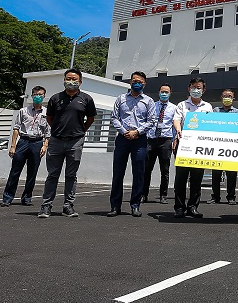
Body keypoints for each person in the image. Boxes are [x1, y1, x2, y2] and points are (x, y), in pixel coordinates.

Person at [38, 69, 97, 218]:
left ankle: (68, 206)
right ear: (64, 80)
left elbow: (90, 118)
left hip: (75, 142)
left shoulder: (86, 99)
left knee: (71, 175)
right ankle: (46, 206)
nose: (71, 81)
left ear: (80, 82)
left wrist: (81, 130)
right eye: (68, 78)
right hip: (56, 141)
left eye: (74, 79)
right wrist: (58, 130)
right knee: (52, 175)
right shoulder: (55, 98)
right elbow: (49, 118)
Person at [107, 70, 156, 218]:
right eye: (134, 81)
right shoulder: (121, 99)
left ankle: (135, 205)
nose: (137, 83)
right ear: (130, 82)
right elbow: (115, 117)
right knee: (118, 173)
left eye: (140, 82)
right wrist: (123, 131)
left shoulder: (148, 101)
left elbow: (151, 121)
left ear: (144, 84)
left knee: (139, 173)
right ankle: (115, 206)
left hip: (140, 140)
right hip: (122, 139)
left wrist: (137, 132)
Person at [172, 77, 213, 219]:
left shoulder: (207, 107)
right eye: (194, 87)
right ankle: (179, 208)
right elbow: (176, 119)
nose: (196, 90)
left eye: (199, 87)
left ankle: (193, 207)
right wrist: (178, 131)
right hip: (183, 145)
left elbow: (211, 124)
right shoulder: (181, 105)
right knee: (181, 178)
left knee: (197, 178)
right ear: (189, 89)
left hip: (199, 147)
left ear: (204, 90)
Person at [2, 86, 50, 207]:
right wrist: (13, 146)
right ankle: (7, 198)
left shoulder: (47, 113)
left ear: (44, 96)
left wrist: (45, 145)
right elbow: (16, 129)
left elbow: (48, 132)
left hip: (37, 142)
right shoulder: (23, 111)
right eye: (35, 94)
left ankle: (27, 197)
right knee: (15, 171)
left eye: (40, 94)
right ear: (32, 95)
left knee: (32, 172)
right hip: (23, 141)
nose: (37, 96)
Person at [143, 84, 174, 204]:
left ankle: (163, 195)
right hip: (151, 140)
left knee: (165, 170)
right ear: (159, 92)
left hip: (165, 140)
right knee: (147, 169)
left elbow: (175, 125)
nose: (164, 94)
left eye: (167, 92)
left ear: (170, 93)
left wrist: (174, 140)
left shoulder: (173, 108)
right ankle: (143, 195)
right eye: (162, 91)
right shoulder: (152, 106)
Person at [209, 88, 238, 205]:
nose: (227, 98)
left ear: (233, 99)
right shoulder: (215, 111)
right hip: (217, 147)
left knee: (231, 173)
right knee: (216, 173)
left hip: (231, 147)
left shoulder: (237, 113)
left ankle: (231, 197)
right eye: (225, 96)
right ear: (221, 98)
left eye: (230, 96)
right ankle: (215, 196)